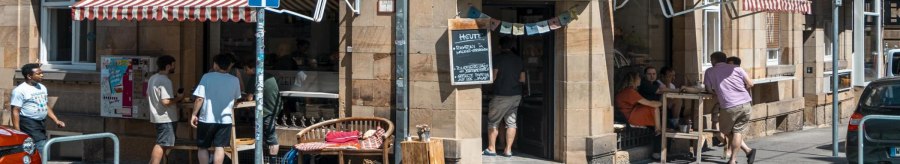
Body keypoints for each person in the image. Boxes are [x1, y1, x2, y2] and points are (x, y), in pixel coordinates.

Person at [704, 52, 756, 164]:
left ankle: (738, 157)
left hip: (728, 106)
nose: (710, 62)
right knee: (737, 132)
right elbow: (750, 84)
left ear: (713, 60)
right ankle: (741, 155)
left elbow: (708, 90)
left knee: (726, 131)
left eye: (710, 60)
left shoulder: (709, 71)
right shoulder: (737, 68)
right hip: (746, 103)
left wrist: (718, 91)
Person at [191, 54, 242, 164]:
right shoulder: (234, 80)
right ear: (229, 66)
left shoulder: (206, 77)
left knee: (203, 147)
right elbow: (236, 99)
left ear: (215, 65)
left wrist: (194, 114)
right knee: (220, 147)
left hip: (206, 119)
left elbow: (199, 98)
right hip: (225, 120)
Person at [483, 37, 526, 157]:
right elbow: (522, 79)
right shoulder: (519, 60)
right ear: (512, 46)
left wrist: (487, 85)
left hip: (501, 95)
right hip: (516, 95)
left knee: (493, 121)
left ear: (500, 46)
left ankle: (492, 148)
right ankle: (508, 150)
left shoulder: (497, 58)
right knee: (511, 123)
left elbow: (494, 76)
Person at [11, 63, 65, 153]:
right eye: (38, 73)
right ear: (29, 76)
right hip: (28, 123)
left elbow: (45, 105)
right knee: (42, 145)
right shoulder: (19, 90)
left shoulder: (42, 87)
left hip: (41, 122)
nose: (42, 75)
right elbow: (15, 111)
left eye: (42, 73)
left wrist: (56, 120)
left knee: (31, 149)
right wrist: (17, 131)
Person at [147, 55, 186, 164]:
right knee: (162, 144)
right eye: (173, 65)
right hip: (166, 118)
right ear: (168, 66)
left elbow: (150, 95)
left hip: (157, 116)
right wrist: (178, 98)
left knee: (162, 143)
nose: (174, 68)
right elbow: (165, 101)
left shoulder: (153, 78)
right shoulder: (165, 81)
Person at [242, 60, 283, 161]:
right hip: (274, 109)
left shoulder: (255, 78)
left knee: (271, 139)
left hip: (266, 111)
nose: (245, 72)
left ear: (253, 68)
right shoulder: (268, 75)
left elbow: (249, 98)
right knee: (266, 137)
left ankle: (273, 161)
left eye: (246, 69)